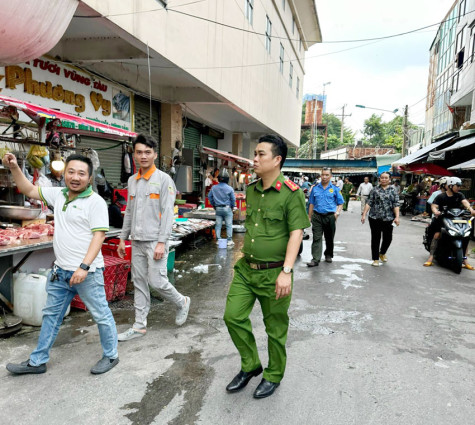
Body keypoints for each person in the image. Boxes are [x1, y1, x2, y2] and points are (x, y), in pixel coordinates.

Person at [3, 153, 119, 375]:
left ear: (90, 177)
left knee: (101, 314)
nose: (75, 177)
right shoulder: (59, 195)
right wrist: (15, 167)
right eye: (71, 172)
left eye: (81, 173)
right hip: (60, 272)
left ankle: (111, 355)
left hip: (88, 273)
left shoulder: (95, 202)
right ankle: (37, 361)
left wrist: (83, 267)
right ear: (65, 174)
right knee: (51, 316)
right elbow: (28, 190)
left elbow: (99, 237)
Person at [223, 135, 309, 399]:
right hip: (247, 269)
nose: (255, 159)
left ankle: (273, 375)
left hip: (275, 273)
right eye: (255, 154)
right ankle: (251, 365)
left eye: (261, 154)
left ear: (277, 160)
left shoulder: (291, 194)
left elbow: (297, 233)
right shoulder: (251, 189)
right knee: (232, 316)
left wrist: (286, 272)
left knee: (275, 329)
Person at [117, 134, 190, 341]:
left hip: (155, 241)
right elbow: (129, 212)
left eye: (147, 152)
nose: (143, 156)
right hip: (137, 240)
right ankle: (139, 325)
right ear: (134, 154)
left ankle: (182, 302)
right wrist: (123, 238)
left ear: (155, 155)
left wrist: (161, 242)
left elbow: (168, 213)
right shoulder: (132, 180)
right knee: (139, 282)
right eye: (139, 152)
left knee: (157, 281)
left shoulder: (163, 180)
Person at [423, 176, 475, 269]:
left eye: (459, 186)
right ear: (450, 186)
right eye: (457, 186)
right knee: (437, 235)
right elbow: (434, 206)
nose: (459, 188)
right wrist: (436, 211)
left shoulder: (459, 195)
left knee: (465, 236)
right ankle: (430, 258)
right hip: (442, 219)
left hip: (457, 220)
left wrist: (470, 209)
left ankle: (465, 260)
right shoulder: (441, 196)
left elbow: (465, 202)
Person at [306, 167, 344, 267]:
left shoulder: (335, 189)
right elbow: (311, 204)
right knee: (316, 237)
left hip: (330, 216)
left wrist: (337, 213)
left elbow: (340, 203)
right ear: (320, 175)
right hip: (317, 216)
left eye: (327, 175)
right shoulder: (315, 188)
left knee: (329, 237)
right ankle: (315, 259)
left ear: (331, 176)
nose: (324, 177)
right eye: (323, 175)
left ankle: (328, 254)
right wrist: (309, 217)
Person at [361, 172, 400, 267]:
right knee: (375, 238)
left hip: (389, 218)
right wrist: (364, 214)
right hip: (374, 218)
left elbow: (396, 204)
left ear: (389, 179)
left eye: (386, 178)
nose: (384, 179)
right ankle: (375, 259)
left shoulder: (393, 190)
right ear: (379, 179)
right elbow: (369, 202)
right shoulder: (375, 190)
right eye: (382, 178)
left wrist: (397, 217)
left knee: (388, 238)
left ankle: (382, 253)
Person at [208, 171, 236, 247]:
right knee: (229, 225)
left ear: (219, 179)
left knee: (218, 225)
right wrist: (232, 207)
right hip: (227, 208)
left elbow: (209, 197)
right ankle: (229, 240)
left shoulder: (214, 187)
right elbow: (233, 199)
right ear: (227, 179)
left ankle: (218, 239)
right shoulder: (230, 188)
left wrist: (214, 205)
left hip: (218, 208)